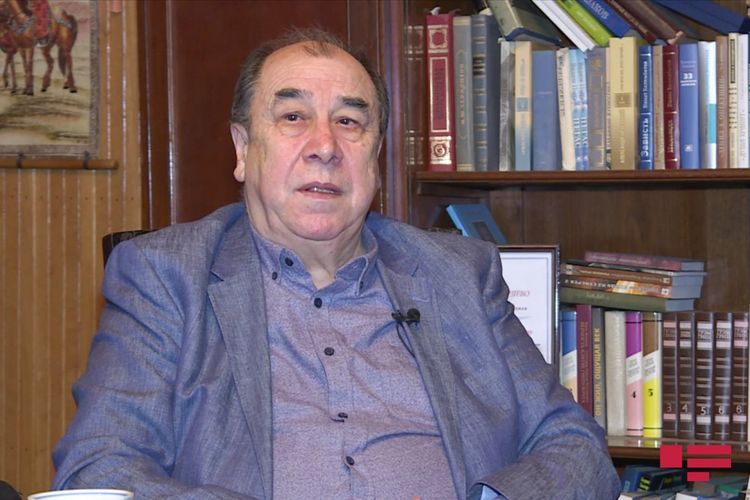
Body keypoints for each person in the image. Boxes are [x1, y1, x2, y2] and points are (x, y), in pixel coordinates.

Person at [52, 28, 621, 499]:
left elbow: (575, 448)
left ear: (376, 155)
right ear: (243, 149)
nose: (324, 146)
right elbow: (100, 469)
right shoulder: (166, 275)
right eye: (293, 117)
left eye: (349, 122)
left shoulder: (458, 273)